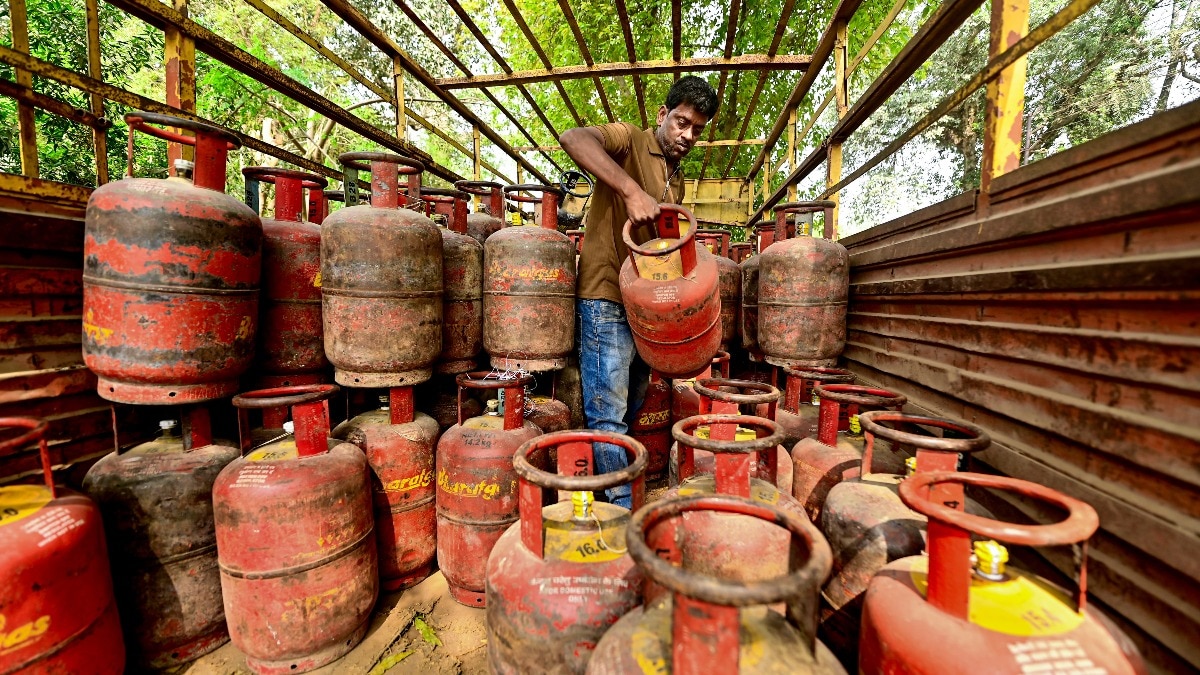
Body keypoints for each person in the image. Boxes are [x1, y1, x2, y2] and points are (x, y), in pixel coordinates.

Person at [560, 75, 719, 506]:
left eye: (697, 130)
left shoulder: (677, 179)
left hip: (645, 311)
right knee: (608, 417)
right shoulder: (628, 139)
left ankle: (613, 495)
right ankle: (619, 512)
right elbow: (573, 138)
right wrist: (629, 191)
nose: (687, 135)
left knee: (629, 409)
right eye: (682, 123)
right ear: (663, 115)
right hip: (606, 297)